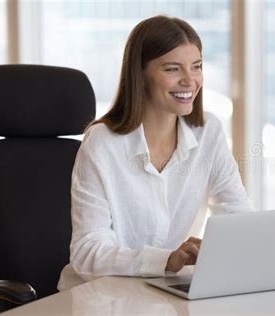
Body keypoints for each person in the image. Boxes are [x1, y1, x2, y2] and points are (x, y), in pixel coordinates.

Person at [57, 15, 254, 291]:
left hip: (163, 292)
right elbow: (87, 252)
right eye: (173, 69)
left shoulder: (208, 132)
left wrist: (224, 249)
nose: (190, 80)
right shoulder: (102, 143)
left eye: (196, 67)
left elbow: (239, 218)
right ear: (141, 76)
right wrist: (166, 260)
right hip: (98, 296)